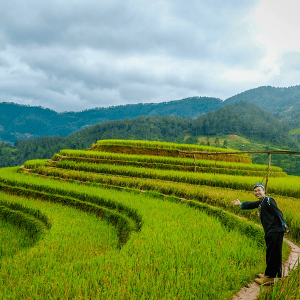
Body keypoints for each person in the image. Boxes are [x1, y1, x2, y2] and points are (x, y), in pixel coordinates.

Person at [232, 183, 289, 285]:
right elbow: (252, 204)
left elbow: (278, 212)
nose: (257, 192)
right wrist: (240, 204)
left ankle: (270, 278)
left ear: (264, 191)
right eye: (255, 191)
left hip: (275, 230)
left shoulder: (268, 200)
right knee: (273, 254)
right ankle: (273, 275)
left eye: (259, 190)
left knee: (272, 254)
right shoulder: (262, 202)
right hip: (271, 231)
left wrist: (284, 224)